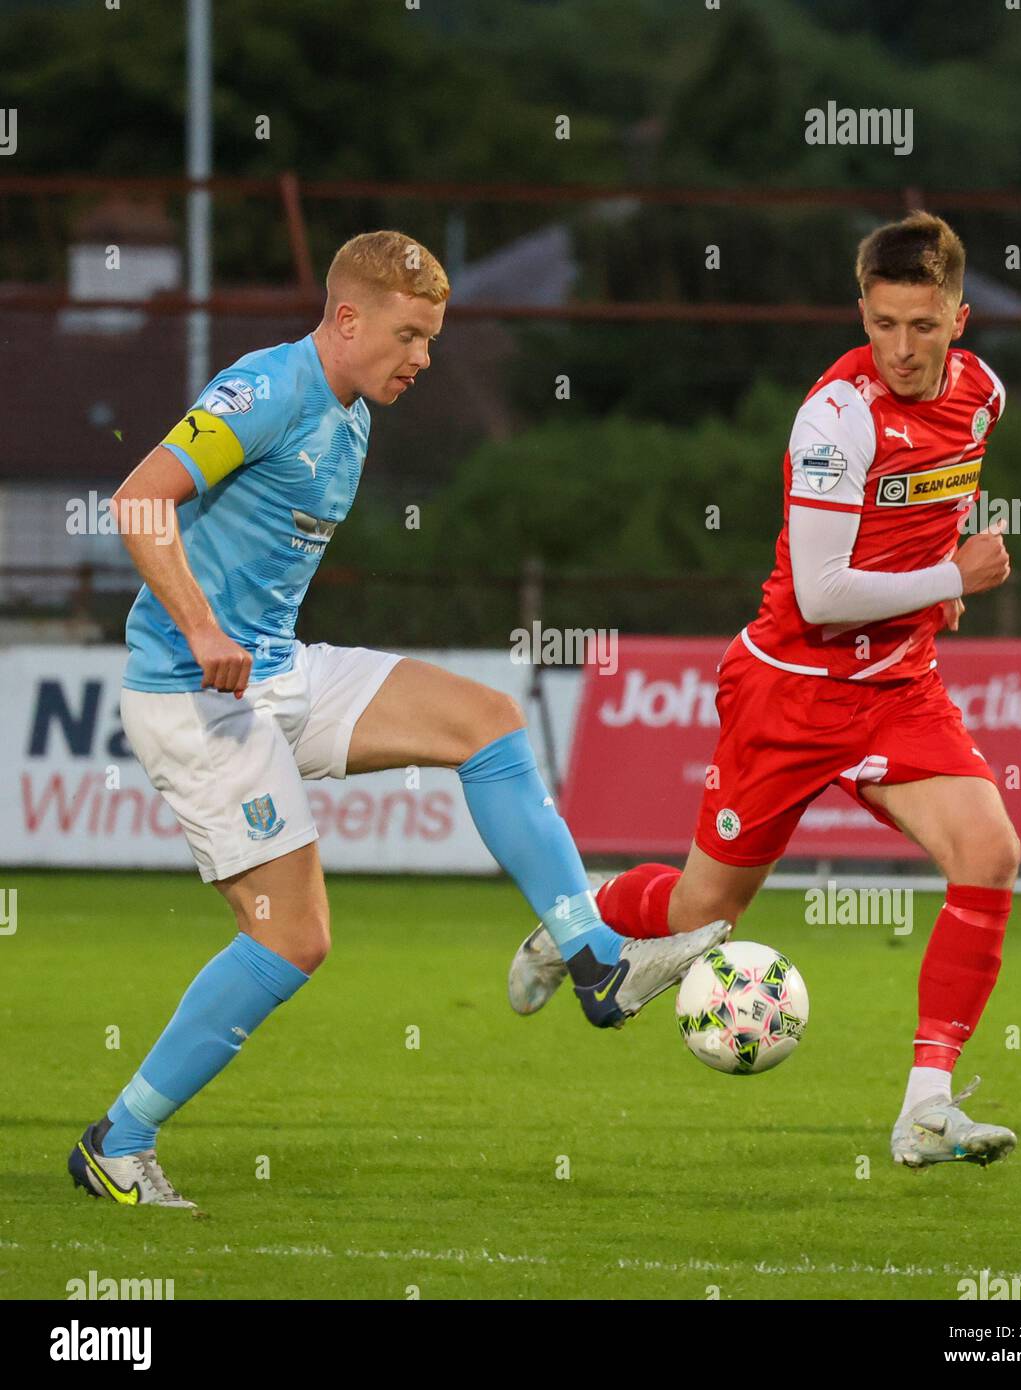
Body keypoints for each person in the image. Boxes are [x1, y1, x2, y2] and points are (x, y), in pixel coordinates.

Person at [69, 230, 726, 1208]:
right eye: (409, 335)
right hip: (191, 695)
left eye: (430, 338)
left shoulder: (353, 414)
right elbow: (137, 501)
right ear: (346, 319)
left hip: (276, 673)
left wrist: (248, 642)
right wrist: (201, 626)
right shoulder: (267, 390)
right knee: (292, 940)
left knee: (488, 720)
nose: (422, 358)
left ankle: (588, 953)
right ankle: (115, 1141)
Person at [510, 211, 1019, 1171]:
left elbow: (936, 504)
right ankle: (570, 924)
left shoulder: (983, 397)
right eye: (881, 325)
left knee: (989, 852)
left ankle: (924, 1108)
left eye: (921, 325)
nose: (900, 349)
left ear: (959, 316)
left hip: (898, 688)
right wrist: (955, 579)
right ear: (860, 313)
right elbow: (823, 597)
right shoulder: (835, 416)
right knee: (704, 909)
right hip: (790, 692)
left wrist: (931, 581)